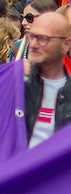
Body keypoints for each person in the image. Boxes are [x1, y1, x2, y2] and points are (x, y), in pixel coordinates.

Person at [23, 12, 71, 147]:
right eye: (30, 37)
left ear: (66, 44)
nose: (32, 44)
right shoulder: (18, 83)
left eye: (43, 38)